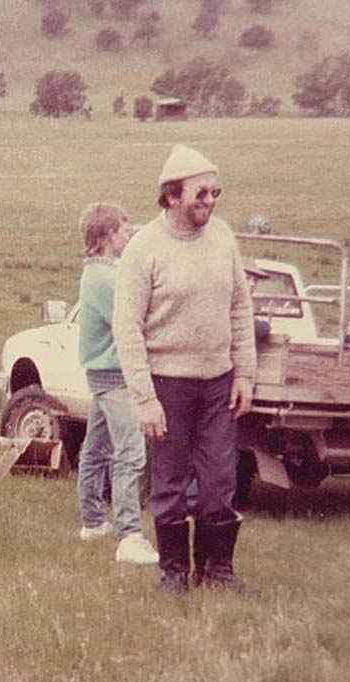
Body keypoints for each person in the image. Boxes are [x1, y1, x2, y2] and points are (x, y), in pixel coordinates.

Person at [113, 143, 256, 594]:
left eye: (216, 193)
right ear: (171, 196)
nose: (210, 202)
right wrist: (144, 400)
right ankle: (173, 575)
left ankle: (218, 572)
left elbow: (240, 309)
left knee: (219, 481)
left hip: (217, 384)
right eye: (201, 194)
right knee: (170, 486)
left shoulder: (225, 239)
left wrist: (245, 374)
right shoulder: (143, 248)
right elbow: (127, 328)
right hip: (166, 386)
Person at [74, 203, 158, 565]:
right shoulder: (108, 279)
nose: (129, 236)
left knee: (96, 449)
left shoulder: (98, 274)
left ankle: (93, 521)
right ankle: (129, 534)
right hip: (115, 377)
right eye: (125, 231)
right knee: (131, 454)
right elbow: (134, 321)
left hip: (101, 375)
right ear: (108, 236)